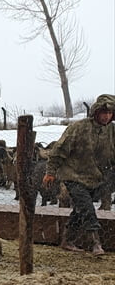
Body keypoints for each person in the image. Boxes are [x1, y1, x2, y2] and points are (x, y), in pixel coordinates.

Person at [44, 93, 115, 256]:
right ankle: (96, 243)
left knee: (80, 209)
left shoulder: (111, 130)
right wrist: (50, 172)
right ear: (96, 112)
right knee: (87, 208)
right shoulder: (79, 128)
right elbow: (59, 150)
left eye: (110, 113)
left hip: (96, 177)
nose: (106, 116)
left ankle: (67, 240)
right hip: (73, 175)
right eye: (104, 112)